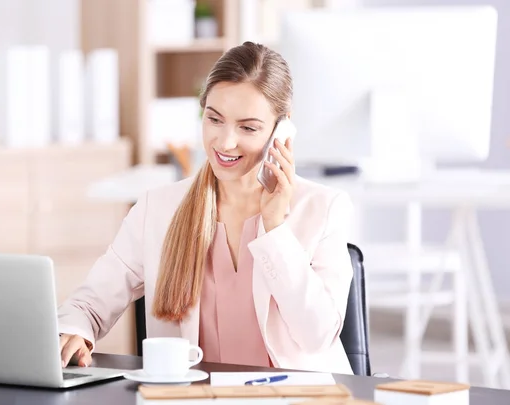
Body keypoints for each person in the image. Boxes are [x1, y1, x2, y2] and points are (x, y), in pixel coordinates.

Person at [58, 41, 354, 374]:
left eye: (248, 127)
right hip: (191, 397)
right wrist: (74, 329)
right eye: (214, 120)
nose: (225, 142)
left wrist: (275, 229)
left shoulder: (323, 209)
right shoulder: (158, 209)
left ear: (281, 129)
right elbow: (91, 301)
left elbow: (317, 336)